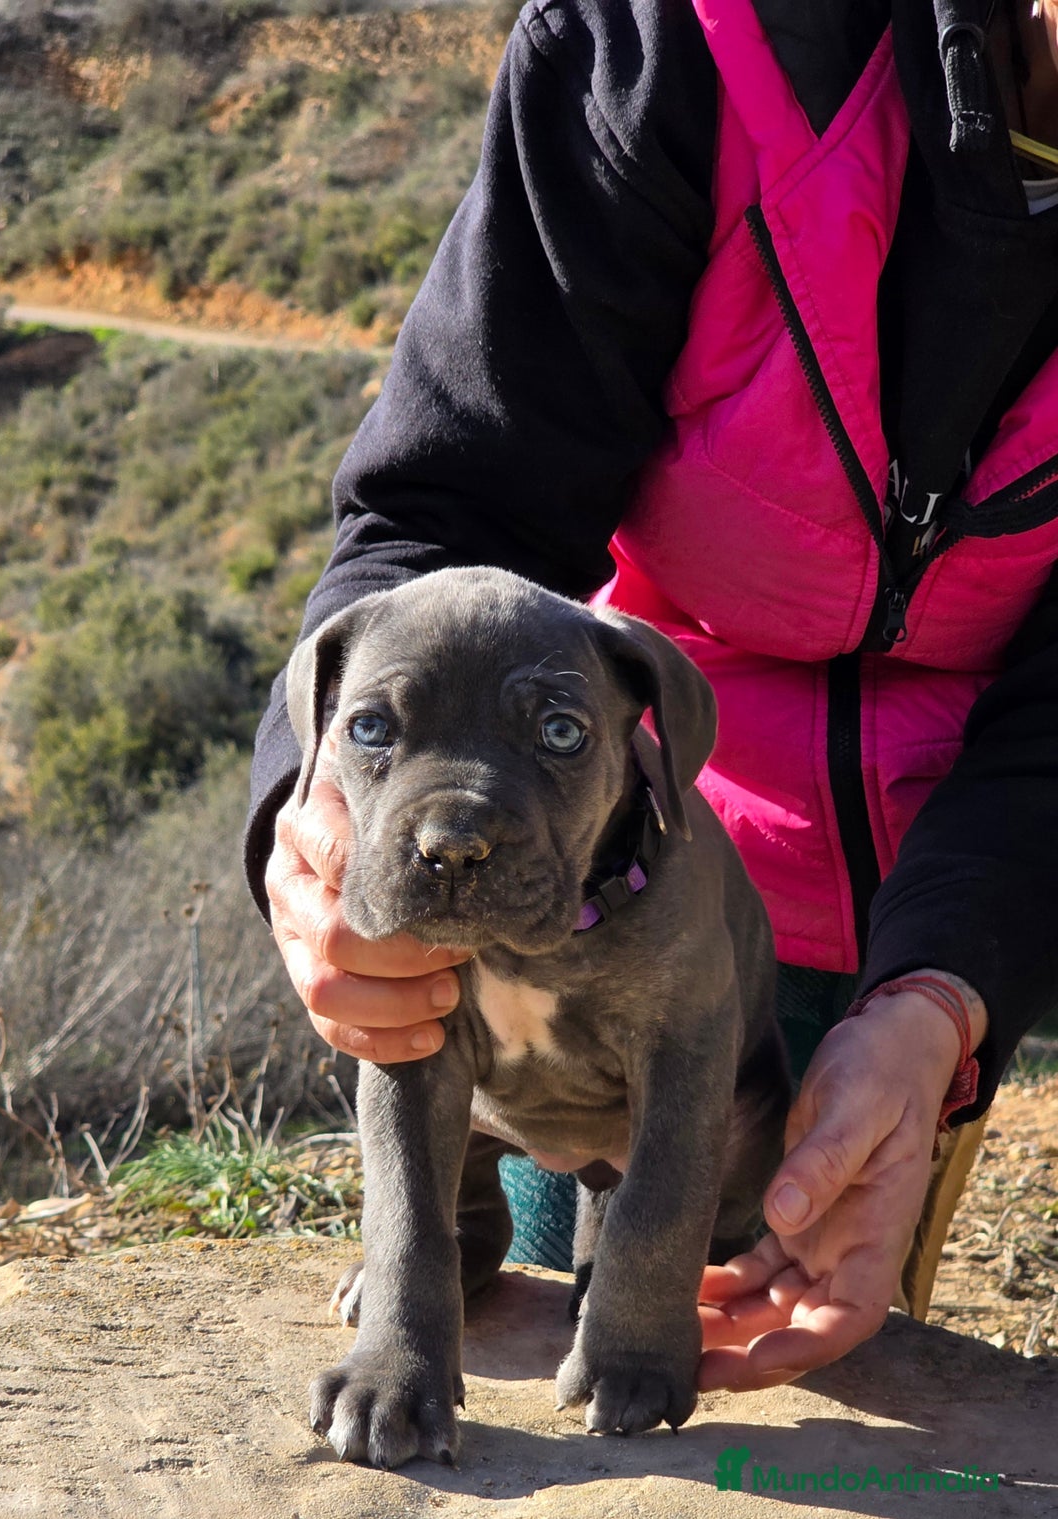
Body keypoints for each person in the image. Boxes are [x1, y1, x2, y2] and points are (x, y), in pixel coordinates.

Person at [246, 0, 1058, 1394]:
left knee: (804, 1353)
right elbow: (451, 510)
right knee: (551, 1297)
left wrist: (942, 1000)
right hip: (612, 836)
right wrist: (313, 815)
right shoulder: (692, 38)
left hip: (978, 868)